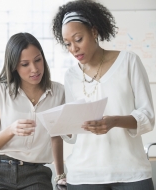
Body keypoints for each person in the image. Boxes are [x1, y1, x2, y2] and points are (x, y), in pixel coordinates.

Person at [51, 0, 155, 189]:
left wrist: (114, 121)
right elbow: (74, 133)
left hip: (131, 172)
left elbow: (148, 117)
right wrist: (59, 123)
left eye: (78, 39)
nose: (73, 48)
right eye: (67, 43)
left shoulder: (129, 62)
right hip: (84, 175)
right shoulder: (71, 75)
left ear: (94, 31)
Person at [0, 32, 65, 190]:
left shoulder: (58, 92)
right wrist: (11, 130)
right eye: (25, 64)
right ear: (14, 66)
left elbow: (56, 137)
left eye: (38, 60)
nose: (35, 69)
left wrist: (60, 176)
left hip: (36, 174)